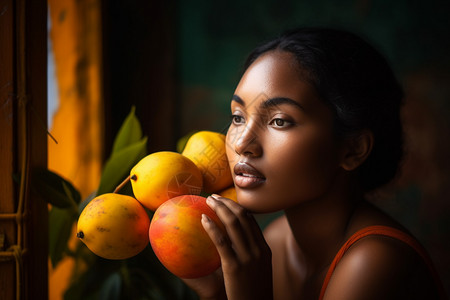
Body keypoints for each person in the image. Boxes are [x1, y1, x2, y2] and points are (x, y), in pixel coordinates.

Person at [182, 27, 446, 300]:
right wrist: (215, 294)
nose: (240, 144)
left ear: (353, 150)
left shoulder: (375, 263)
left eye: (279, 121)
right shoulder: (275, 241)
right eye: (238, 117)